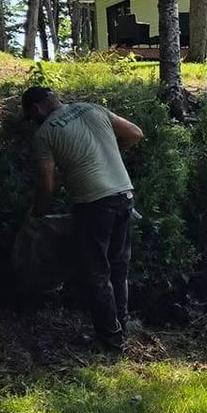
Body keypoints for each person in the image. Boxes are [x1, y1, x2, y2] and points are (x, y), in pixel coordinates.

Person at [22, 86, 143, 350]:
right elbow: (135, 133)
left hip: (94, 204)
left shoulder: (45, 134)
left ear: (37, 109)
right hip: (124, 195)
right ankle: (120, 329)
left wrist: (38, 214)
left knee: (97, 272)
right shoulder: (93, 108)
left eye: (31, 118)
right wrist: (109, 155)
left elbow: (47, 183)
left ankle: (110, 339)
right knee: (119, 268)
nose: (33, 123)